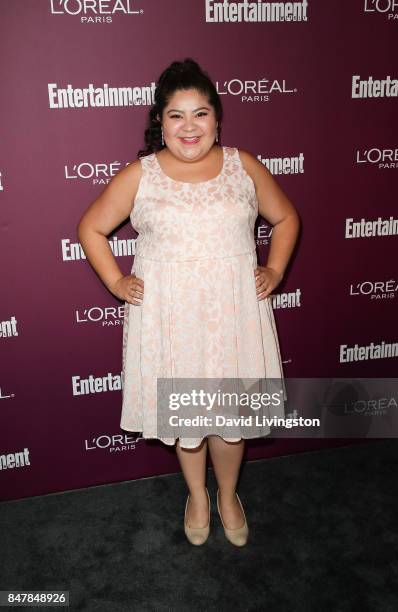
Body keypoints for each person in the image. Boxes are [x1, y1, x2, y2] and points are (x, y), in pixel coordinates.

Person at [77, 58, 300, 547]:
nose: (189, 126)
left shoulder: (245, 166)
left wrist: (276, 269)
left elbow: (286, 219)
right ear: (160, 121)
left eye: (200, 113)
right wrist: (117, 282)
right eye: (176, 115)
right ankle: (197, 496)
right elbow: (90, 229)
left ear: (217, 117)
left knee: (232, 423)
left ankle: (227, 494)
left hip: (234, 315)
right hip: (172, 319)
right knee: (188, 422)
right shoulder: (142, 175)